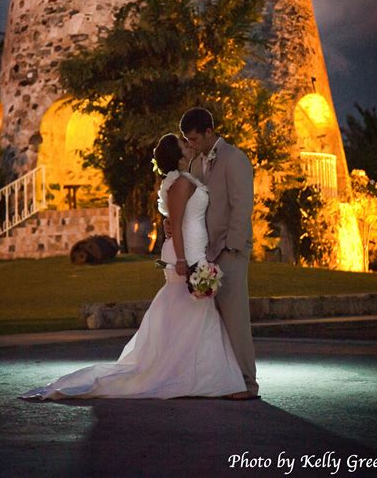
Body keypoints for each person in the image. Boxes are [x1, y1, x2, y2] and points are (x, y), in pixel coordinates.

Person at [19, 133, 246, 401]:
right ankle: (207, 379)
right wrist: (184, 259)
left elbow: (178, 220)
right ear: (178, 155)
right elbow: (175, 223)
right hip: (185, 252)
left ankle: (198, 375)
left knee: (194, 310)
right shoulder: (181, 184)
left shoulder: (183, 181)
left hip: (193, 247)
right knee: (194, 308)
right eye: (183, 144)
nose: (188, 145)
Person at [179, 107, 259, 400]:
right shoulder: (197, 164)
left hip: (231, 250)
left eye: (195, 139)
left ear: (210, 132)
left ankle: (249, 384)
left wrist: (232, 246)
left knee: (236, 318)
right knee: (214, 321)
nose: (191, 145)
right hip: (207, 253)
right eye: (188, 141)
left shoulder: (235, 159)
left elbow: (242, 206)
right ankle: (225, 380)